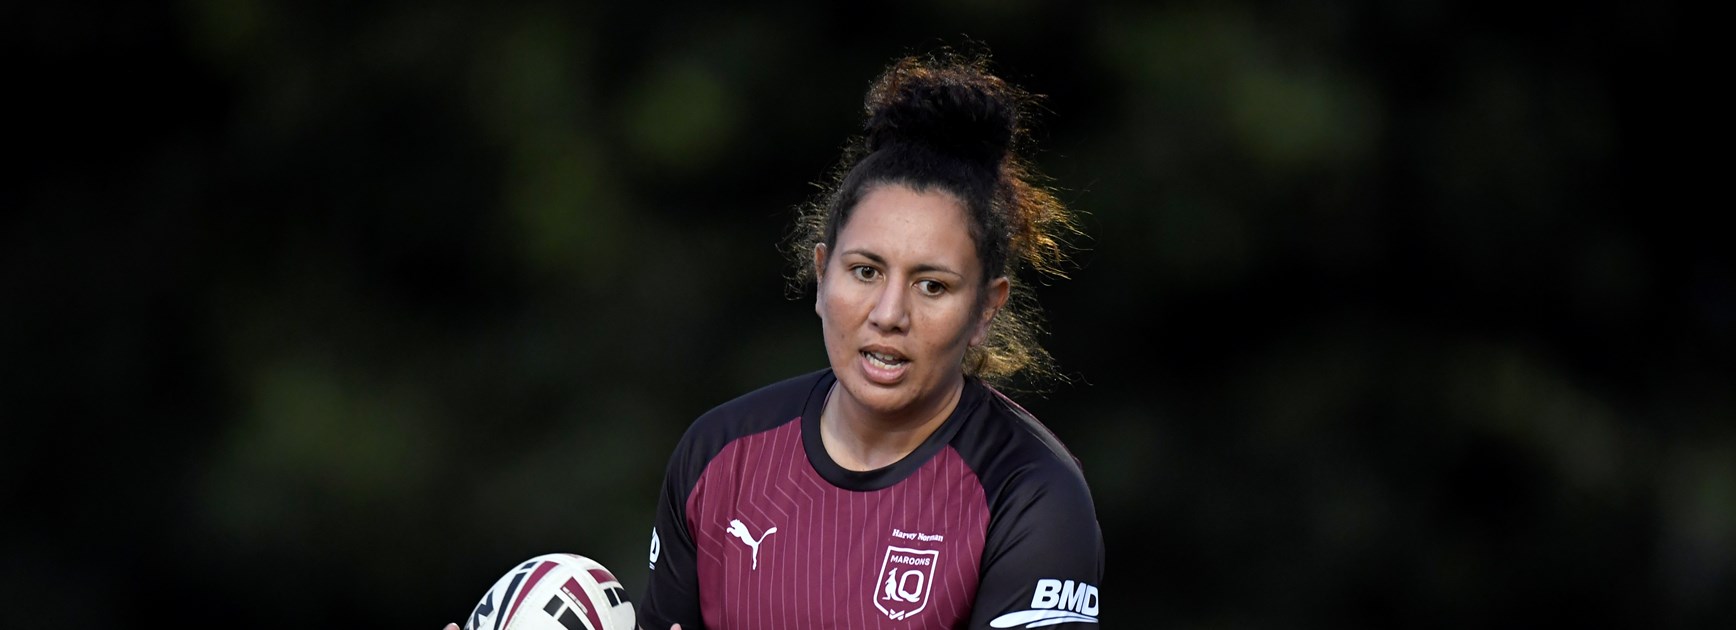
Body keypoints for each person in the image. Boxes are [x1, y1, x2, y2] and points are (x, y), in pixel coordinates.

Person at [635, 49, 1103, 629]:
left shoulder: (1030, 493)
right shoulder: (720, 455)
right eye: (865, 271)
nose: (889, 314)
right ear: (821, 276)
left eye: (932, 286)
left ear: (985, 308)